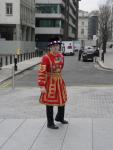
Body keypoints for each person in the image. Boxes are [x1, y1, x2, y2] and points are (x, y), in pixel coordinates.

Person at [38, 37, 68, 129]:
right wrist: (42, 85)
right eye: (53, 46)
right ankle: (50, 123)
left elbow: (61, 68)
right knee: (50, 103)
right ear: (50, 47)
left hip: (59, 81)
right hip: (50, 82)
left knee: (62, 100)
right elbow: (41, 72)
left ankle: (60, 117)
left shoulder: (61, 56)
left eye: (57, 46)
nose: (55, 48)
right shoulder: (45, 58)